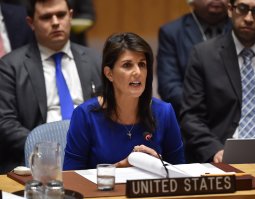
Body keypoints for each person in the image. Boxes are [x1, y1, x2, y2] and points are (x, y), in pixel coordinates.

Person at [181, 0, 255, 163]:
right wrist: (214, 150)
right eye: (242, 9)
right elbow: (192, 117)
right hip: (220, 156)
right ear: (230, 10)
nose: (249, 18)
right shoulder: (203, 56)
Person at [0, 0, 102, 173]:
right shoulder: (10, 66)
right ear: (31, 23)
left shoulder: (96, 60)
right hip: (36, 162)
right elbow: (6, 123)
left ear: (70, 16)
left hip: (92, 159)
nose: (55, 22)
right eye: (46, 17)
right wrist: (48, 148)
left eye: (61, 15)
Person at [63, 32, 185, 170]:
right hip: (104, 191)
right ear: (109, 73)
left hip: (150, 191)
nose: (138, 72)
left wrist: (161, 166)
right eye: (127, 65)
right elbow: (71, 178)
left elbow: (180, 173)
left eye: (142, 64)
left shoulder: (164, 112)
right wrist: (120, 168)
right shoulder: (85, 115)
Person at [157, 0, 231, 117]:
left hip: (236, 119)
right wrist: (205, 109)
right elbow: (169, 87)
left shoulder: (243, 31)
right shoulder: (172, 32)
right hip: (189, 118)